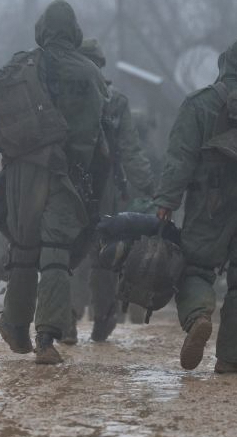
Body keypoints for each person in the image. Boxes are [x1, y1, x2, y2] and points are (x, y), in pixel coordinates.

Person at [0, 0, 107, 365]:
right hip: (67, 173)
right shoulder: (89, 73)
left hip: (21, 175)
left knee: (23, 250)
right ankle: (47, 337)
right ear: (74, 32)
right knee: (55, 252)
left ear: (41, 29)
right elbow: (93, 134)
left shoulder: (17, 67)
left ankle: (15, 326)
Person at [153, 36, 237, 374]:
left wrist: (166, 201)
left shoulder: (200, 103)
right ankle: (233, 358)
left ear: (225, 64)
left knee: (195, 269)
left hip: (211, 201)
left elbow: (179, 158)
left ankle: (198, 317)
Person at [68, 39, 155, 343]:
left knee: (71, 252)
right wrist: (151, 189)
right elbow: (131, 152)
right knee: (105, 253)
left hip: (70, 187)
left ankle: (66, 318)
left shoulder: (63, 96)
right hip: (105, 188)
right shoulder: (115, 101)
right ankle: (104, 318)